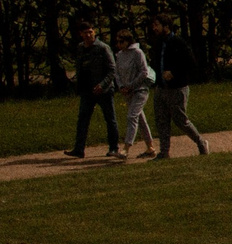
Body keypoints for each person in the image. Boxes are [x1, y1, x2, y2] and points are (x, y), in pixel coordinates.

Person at [147, 16, 209, 158]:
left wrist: (174, 72)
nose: (154, 28)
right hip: (161, 88)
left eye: (157, 25)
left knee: (180, 120)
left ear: (166, 26)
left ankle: (200, 142)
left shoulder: (178, 42)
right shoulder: (158, 43)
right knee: (161, 120)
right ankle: (164, 152)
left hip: (177, 88)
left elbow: (190, 63)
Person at [64, 20, 117, 159]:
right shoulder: (80, 48)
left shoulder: (102, 48)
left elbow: (112, 69)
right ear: (80, 34)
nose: (88, 35)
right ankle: (79, 149)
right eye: (85, 33)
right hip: (87, 90)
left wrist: (103, 85)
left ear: (94, 32)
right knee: (82, 119)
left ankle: (113, 147)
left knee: (110, 119)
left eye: (90, 32)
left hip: (103, 90)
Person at [111, 28, 156, 157]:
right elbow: (117, 73)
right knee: (140, 119)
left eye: (121, 41)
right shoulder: (119, 55)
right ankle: (150, 147)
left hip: (139, 90)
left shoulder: (137, 52)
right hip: (127, 91)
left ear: (128, 41)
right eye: (117, 42)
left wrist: (131, 85)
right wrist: (121, 86)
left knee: (132, 116)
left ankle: (126, 148)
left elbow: (144, 72)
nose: (118, 44)